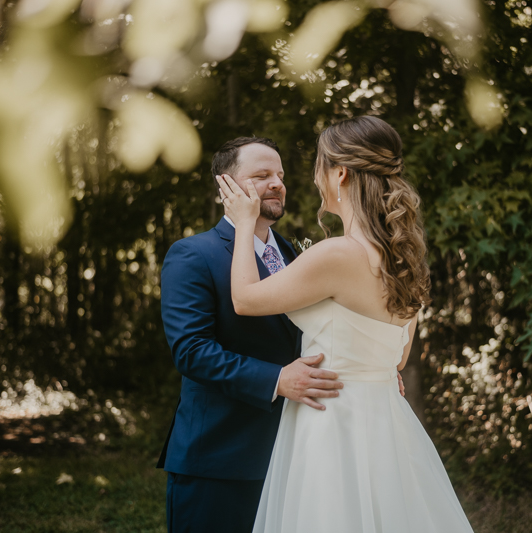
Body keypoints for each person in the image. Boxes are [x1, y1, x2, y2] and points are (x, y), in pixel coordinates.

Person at [217, 116, 475, 532]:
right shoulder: (405, 258)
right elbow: (399, 357)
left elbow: (244, 300)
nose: (315, 180)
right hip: (387, 421)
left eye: (319, 167)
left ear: (339, 174)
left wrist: (245, 222)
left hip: (333, 421)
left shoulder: (337, 254)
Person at [157, 136, 345, 533]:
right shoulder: (193, 255)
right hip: (218, 458)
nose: (277, 183)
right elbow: (191, 351)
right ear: (227, 187)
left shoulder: (294, 253)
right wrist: (277, 379)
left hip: (291, 454)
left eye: (280, 174)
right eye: (262, 175)